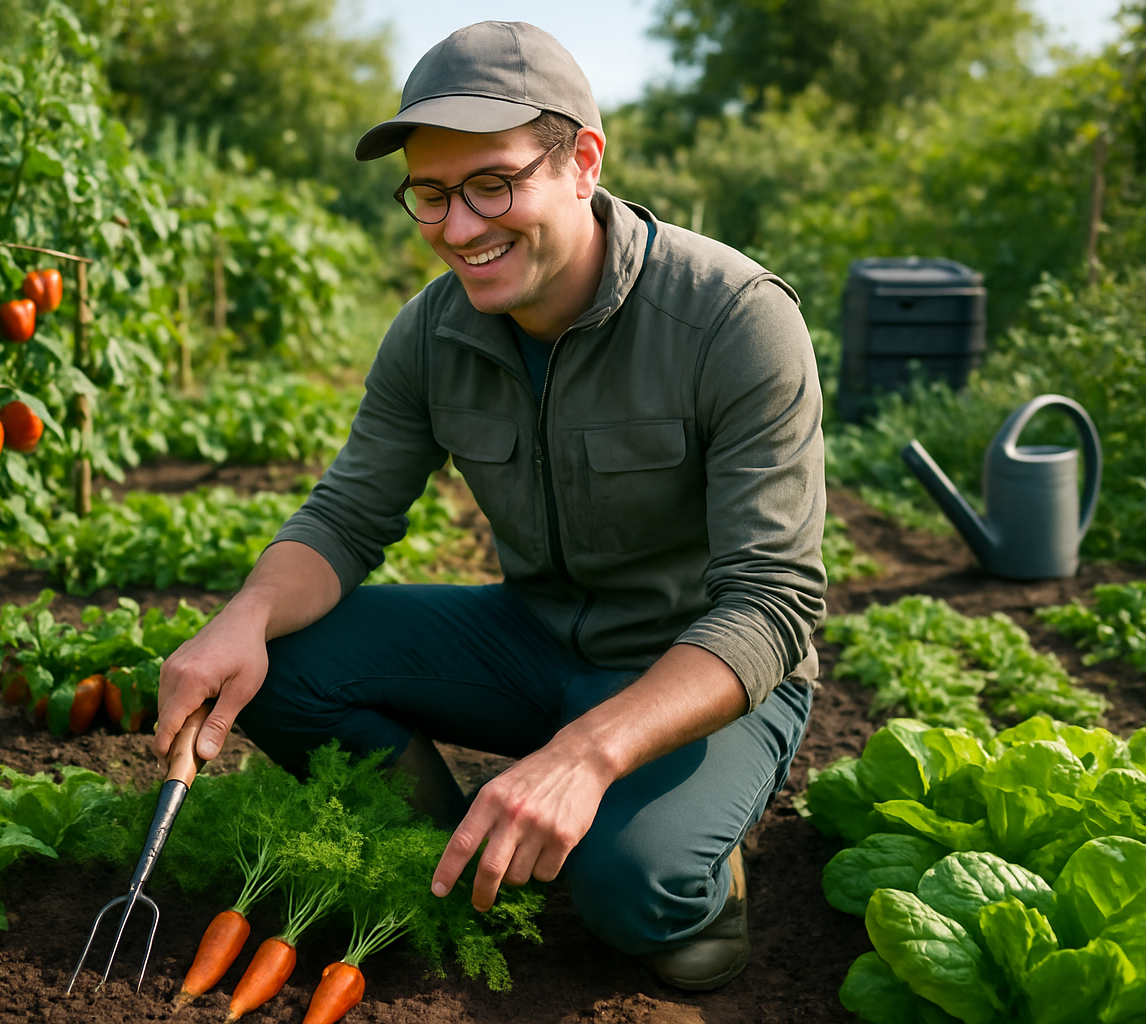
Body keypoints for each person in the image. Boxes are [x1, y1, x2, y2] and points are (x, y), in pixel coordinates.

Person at [154, 20, 826, 992]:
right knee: (285, 664)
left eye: (493, 185)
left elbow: (771, 602)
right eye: (430, 194)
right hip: (536, 641)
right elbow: (347, 516)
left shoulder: (731, 318)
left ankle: (689, 858)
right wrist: (244, 619)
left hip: (698, 672)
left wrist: (585, 756)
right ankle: (441, 852)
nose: (458, 228)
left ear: (583, 162)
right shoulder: (431, 333)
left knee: (641, 900)